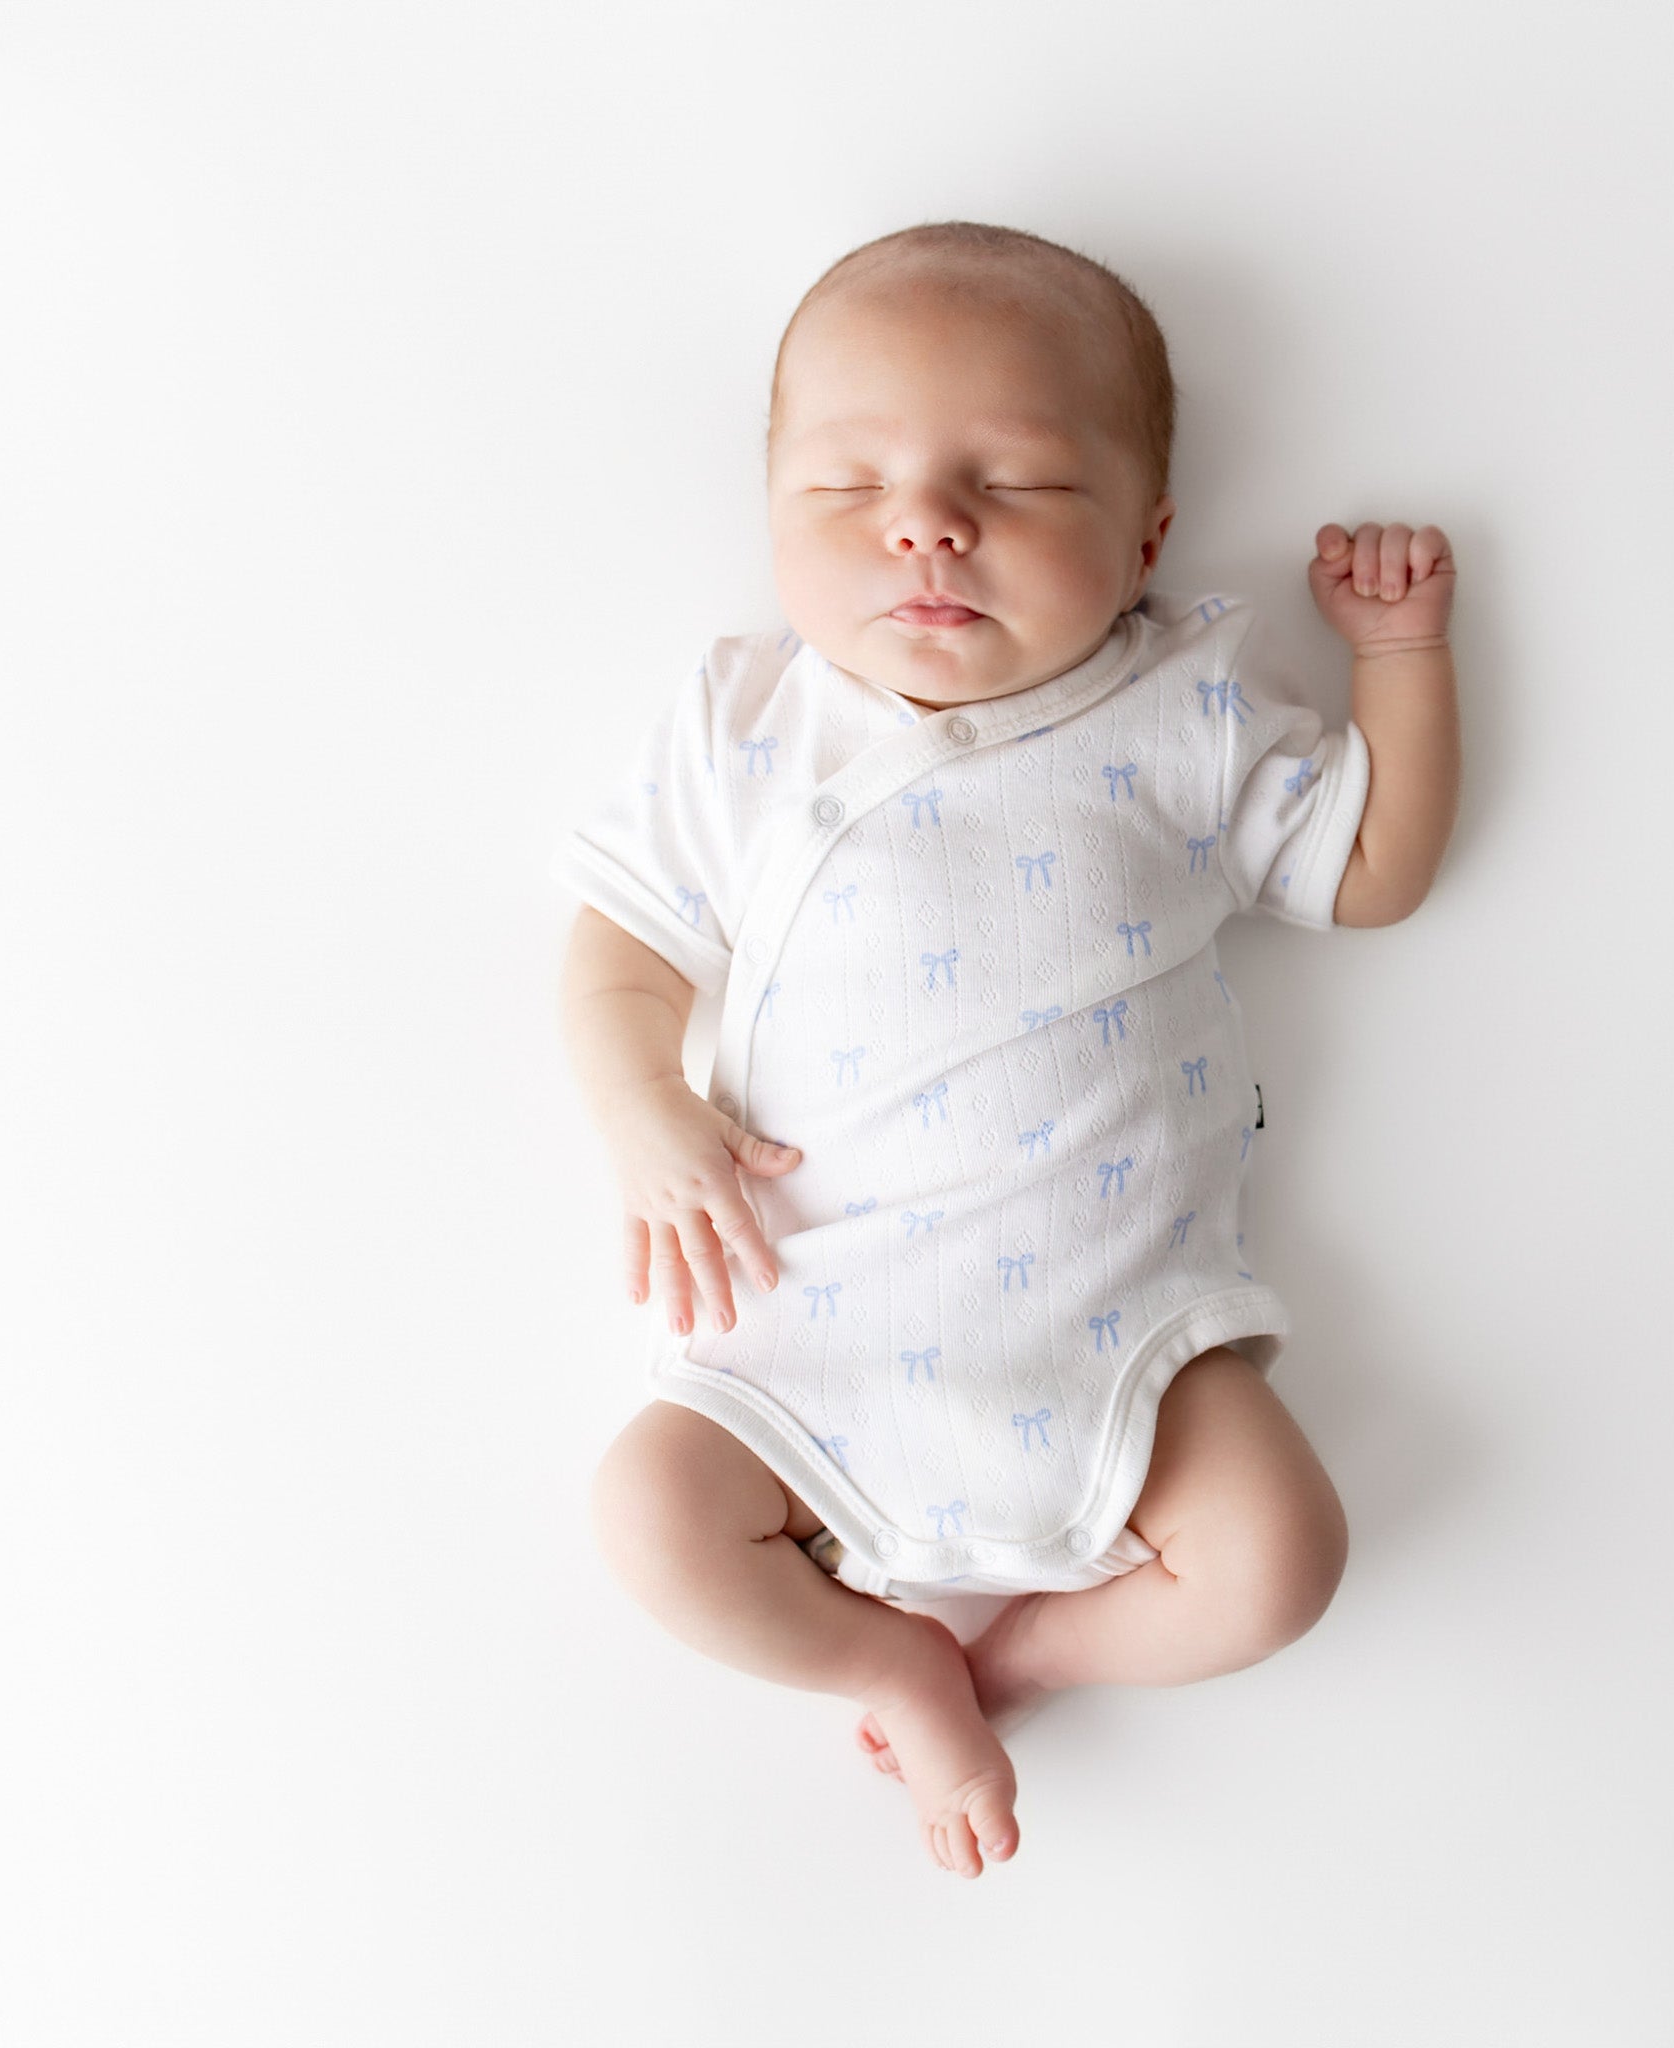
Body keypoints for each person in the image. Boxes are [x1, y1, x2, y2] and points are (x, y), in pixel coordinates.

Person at [554, 220, 1461, 1878]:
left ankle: (1020, 1656)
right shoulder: (750, 723)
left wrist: (1396, 662)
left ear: (1145, 538)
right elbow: (619, 951)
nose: (928, 523)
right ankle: (882, 1656)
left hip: (1113, 1332)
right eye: (850, 489)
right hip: (810, 1323)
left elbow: (1372, 869)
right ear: (775, 519)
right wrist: (641, 1111)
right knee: (651, 1521)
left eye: (1021, 485)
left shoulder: (1182, 711)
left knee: (1278, 1565)